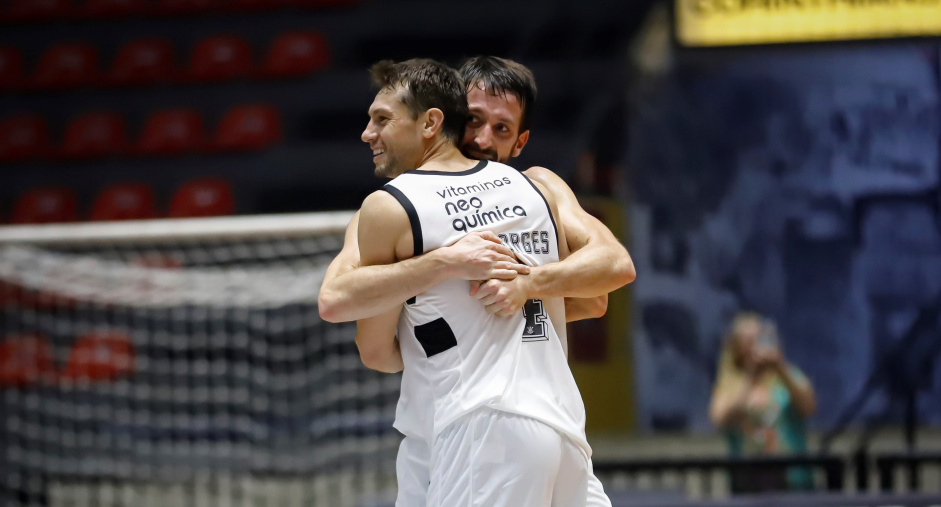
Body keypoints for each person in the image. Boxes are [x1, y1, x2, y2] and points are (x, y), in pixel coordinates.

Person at [318, 56, 634, 506]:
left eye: (501, 129)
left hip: (476, 428)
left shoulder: (398, 207)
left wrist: (523, 285)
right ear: (450, 117)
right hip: (547, 424)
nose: (484, 138)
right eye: (475, 121)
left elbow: (368, 342)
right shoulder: (532, 191)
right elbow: (594, 294)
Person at [709, 312, 817, 493]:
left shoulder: (788, 375)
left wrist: (779, 367)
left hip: (794, 479)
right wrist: (751, 378)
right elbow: (720, 419)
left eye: (759, 338)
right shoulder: (729, 384)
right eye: (748, 340)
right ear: (736, 346)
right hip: (748, 482)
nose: (755, 346)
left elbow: (808, 408)